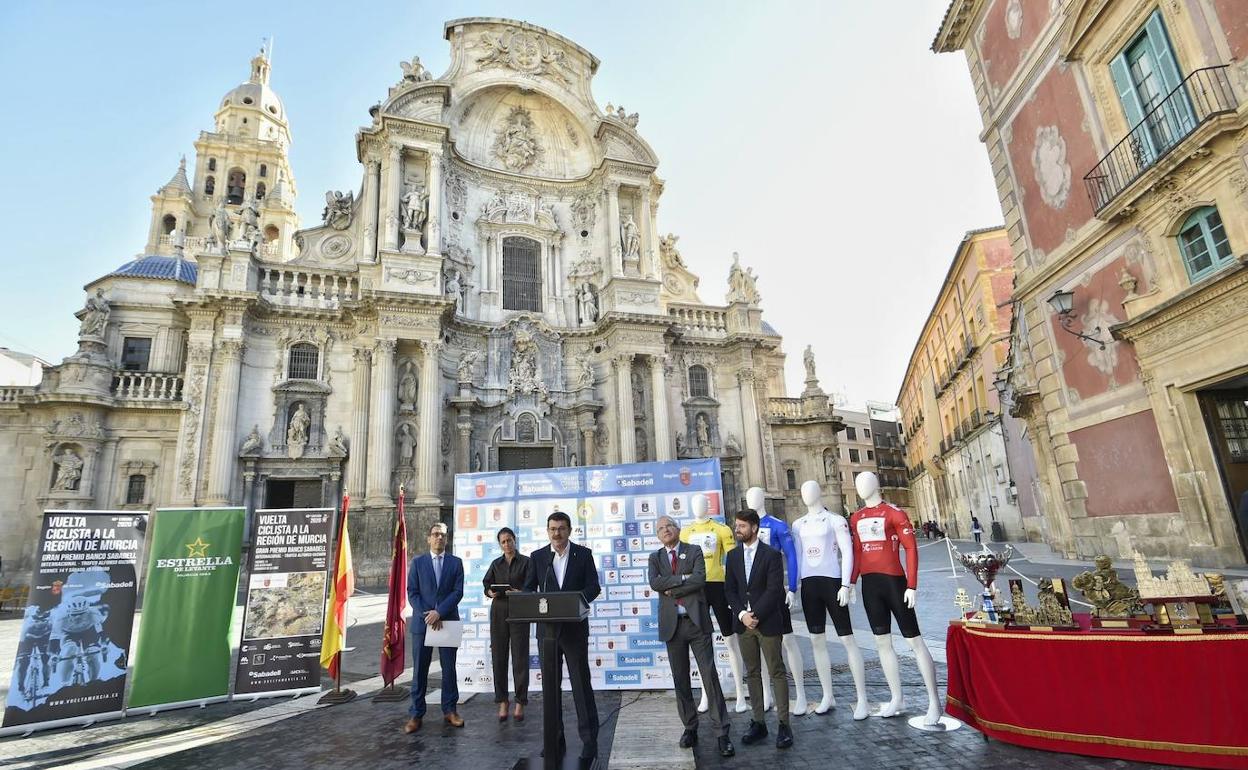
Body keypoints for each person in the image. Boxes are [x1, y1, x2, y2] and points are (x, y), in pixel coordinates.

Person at [648, 516, 734, 758]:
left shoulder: (694, 550)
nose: (665, 531)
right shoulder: (655, 558)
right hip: (672, 626)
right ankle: (690, 727)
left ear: (677, 529)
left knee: (709, 677)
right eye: (660, 529)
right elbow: (655, 582)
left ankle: (722, 733)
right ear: (657, 535)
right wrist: (682, 580)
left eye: (669, 526)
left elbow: (699, 579)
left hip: (696, 623)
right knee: (680, 679)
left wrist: (672, 586)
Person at [524, 511, 601, 763]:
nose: (557, 533)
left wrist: (576, 602)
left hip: (574, 630)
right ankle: (554, 738)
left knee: (580, 684)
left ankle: (589, 741)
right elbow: (528, 590)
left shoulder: (583, 554)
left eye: (561, 528)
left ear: (569, 530)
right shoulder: (538, 558)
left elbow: (594, 587)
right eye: (552, 529)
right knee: (550, 688)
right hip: (547, 632)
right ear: (548, 531)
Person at [724, 509, 794, 750]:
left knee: (776, 671)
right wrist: (743, 615)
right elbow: (730, 590)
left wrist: (756, 615)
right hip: (744, 625)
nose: (737, 529)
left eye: (742, 526)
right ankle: (759, 723)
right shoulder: (732, 557)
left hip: (768, 622)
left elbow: (775, 589)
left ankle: (784, 725)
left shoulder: (772, 555)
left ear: (754, 528)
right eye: (737, 526)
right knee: (752, 673)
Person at [404, 523, 465, 733]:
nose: (439, 538)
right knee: (420, 670)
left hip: (447, 621)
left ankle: (450, 710)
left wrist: (439, 612)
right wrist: (429, 614)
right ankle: (416, 713)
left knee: (449, 669)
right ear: (428, 538)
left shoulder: (456, 563)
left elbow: (457, 592)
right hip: (423, 625)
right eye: (435, 534)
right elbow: (412, 592)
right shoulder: (418, 562)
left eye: (442, 535)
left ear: (447, 539)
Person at [482, 527, 532, 722]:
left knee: (520, 657)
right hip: (499, 611)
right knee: (499, 657)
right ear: (500, 544)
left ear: (515, 540)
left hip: (519, 611)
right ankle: (502, 700)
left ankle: (520, 701)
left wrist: (521, 592)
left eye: (509, 540)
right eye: (503, 542)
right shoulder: (496, 564)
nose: (507, 544)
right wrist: (490, 593)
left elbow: (531, 586)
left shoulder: (527, 562)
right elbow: (486, 585)